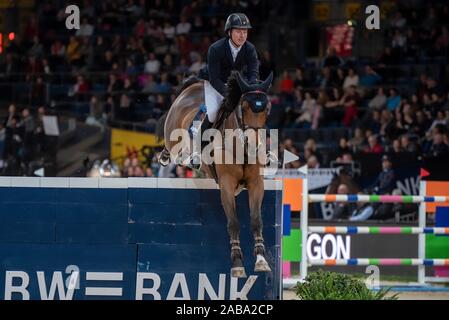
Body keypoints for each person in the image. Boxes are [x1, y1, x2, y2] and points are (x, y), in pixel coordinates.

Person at [186, 13, 272, 169]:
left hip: (238, 84)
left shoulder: (250, 49)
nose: (242, 35)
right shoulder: (216, 49)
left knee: (253, 110)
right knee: (213, 112)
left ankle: (265, 151)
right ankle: (197, 152)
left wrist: (252, 90)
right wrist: (229, 95)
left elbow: (254, 73)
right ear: (229, 32)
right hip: (215, 83)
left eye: (245, 31)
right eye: (238, 31)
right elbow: (214, 78)